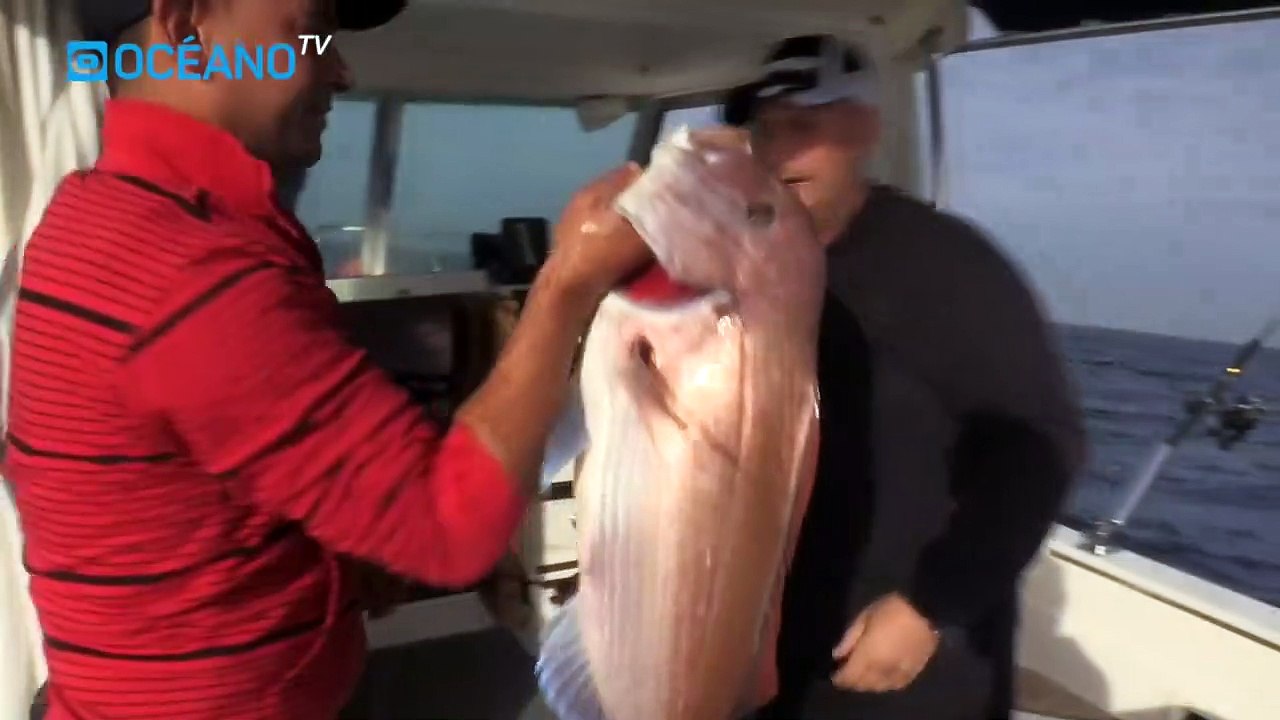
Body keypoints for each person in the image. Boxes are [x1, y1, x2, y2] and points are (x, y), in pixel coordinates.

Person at [7, 1, 651, 718]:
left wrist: (327, 564)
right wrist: (569, 283)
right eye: (311, 30)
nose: (339, 70)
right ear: (188, 25)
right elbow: (449, 529)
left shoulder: (96, 213)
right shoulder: (191, 269)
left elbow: (181, 480)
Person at [723, 35, 1088, 719]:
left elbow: (1040, 446)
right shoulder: (754, 260)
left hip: (894, 662)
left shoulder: (947, 266)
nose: (780, 155)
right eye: (766, 132)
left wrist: (931, 605)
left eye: (805, 128)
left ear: (864, 128)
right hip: (766, 646)